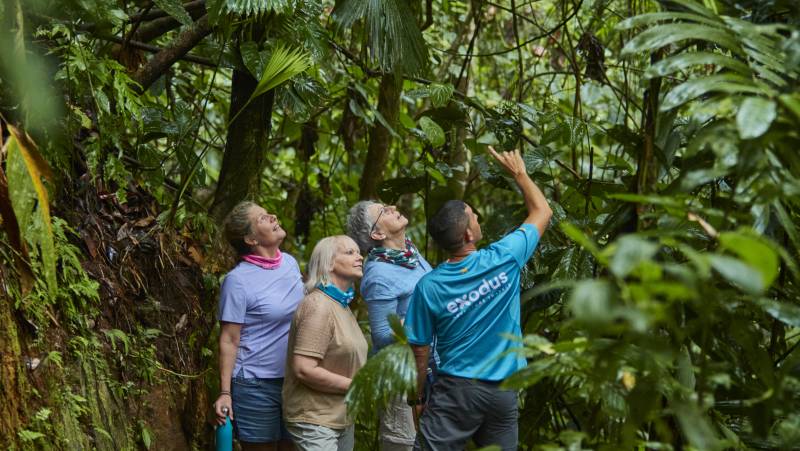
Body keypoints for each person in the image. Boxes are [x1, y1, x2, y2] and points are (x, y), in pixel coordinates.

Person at [404, 147, 553, 451]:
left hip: (457, 392)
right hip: (503, 391)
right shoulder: (504, 258)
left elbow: (419, 351)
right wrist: (519, 174)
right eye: (473, 216)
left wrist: (417, 398)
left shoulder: (429, 286)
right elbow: (542, 212)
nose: (477, 217)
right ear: (468, 235)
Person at [214, 201, 304, 451]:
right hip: (255, 385)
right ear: (251, 239)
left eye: (268, 214)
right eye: (262, 218)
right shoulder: (237, 281)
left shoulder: (290, 263)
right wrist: (225, 393)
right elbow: (229, 339)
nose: (273, 217)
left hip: (294, 380)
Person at [346, 201, 433, 451]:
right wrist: (426, 317)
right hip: (401, 376)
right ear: (377, 234)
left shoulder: (409, 253)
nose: (393, 207)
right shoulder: (378, 274)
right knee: (404, 445)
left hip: (428, 368)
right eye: (383, 211)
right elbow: (383, 335)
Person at [282, 235, 369, 451]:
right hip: (315, 419)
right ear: (328, 263)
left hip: (341, 417)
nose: (359, 257)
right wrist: (357, 386)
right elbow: (304, 369)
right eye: (350, 252)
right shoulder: (318, 306)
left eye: (359, 252)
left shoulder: (341, 305)